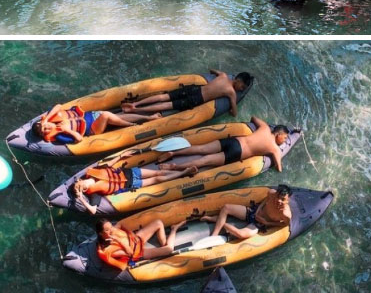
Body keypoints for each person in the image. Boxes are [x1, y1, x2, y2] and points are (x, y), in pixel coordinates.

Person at [159, 116, 291, 173]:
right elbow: (278, 168)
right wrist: (280, 153)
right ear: (279, 134)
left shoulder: (264, 128)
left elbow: (254, 118)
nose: (284, 141)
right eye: (284, 138)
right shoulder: (274, 148)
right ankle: (174, 167)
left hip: (234, 141)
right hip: (237, 153)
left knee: (201, 148)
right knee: (205, 161)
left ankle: (174, 152)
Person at [122, 69, 252, 119]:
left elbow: (213, 70)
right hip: (197, 99)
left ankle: (136, 103)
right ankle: (137, 110)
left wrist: (215, 76)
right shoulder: (231, 92)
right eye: (242, 87)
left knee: (165, 96)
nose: (241, 89)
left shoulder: (223, 75)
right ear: (238, 80)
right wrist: (234, 102)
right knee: (167, 105)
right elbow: (234, 113)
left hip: (194, 89)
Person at [72, 164, 199, 214]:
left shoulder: (91, 172)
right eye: (82, 187)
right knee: (157, 179)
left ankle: (177, 169)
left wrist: (122, 156)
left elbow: (108, 166)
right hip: (131, 184)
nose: (83, 183)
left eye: (81, 182)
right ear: (84, 190)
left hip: (129, 172)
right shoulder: (95, 194)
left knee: (156, 173)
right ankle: (184, 172)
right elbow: (93, 211)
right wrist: (81, 199)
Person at [202, 185, 293, 241]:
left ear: (288, 200)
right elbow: (266, 200)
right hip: (254, 212)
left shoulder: (285, 214)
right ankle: (214, 235)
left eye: (283, 199)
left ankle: (216, 220)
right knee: (226, 207)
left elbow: (284, 224)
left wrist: (267, 222)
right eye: (278, 197)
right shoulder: (272, 193)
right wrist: (257, 211)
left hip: (259, 224)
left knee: (241, 234)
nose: (278, 201)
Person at [39, 103, 160, 144]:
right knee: (107, 115)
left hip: (92, 115)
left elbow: (58, 105)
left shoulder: (53, 117)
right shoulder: (59, 135)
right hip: (92, 128)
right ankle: (130, 126)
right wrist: (68, 130)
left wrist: (46, 118)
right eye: (44, 131)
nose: (46, 128)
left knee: (116, 117)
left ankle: (148, 117)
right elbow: (79, 139)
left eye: (43, 126)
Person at [95, 218, 184, 270]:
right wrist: (119, 240)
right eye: (107, 230)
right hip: (139, 252)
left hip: (137, 239)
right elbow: (129, 253)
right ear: (100, 233)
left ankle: (164, 244)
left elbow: (121, 224)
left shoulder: (113, 229)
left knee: (158, 222)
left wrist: (132, 234)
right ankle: (174, 229)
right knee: (169, 249)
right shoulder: (108, 248)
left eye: (111, 226)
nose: (112, 230)